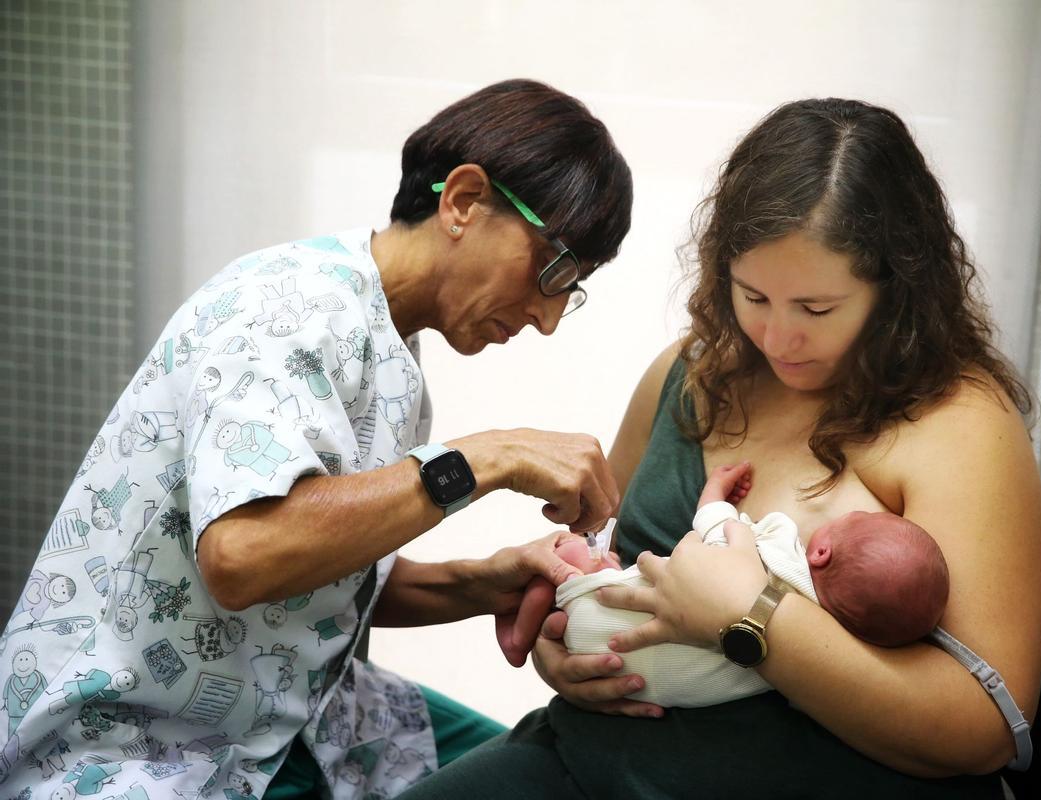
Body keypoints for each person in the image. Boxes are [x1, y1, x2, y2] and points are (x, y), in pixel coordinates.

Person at [0, 79, 634, 800]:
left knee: (557, 774)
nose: (548, 319)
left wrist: (482, 580)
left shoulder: (390, 348)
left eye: (570, 289)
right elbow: (244, 557)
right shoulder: (285, 306)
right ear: (462, 200)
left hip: (299, 717)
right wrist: (484, 458)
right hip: (134, 740)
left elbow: (323, 575)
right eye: (552, 269)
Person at [398, 98, 1041, 799]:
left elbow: (986, 731)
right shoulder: (691, 374)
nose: (777, 338)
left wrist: (754, 615)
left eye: (816, 309)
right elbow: (601, 570)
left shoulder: (961, 422)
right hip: (590, 758)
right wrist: (564, 646)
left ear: (897, 288)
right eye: (753, 296)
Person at [498, 460, 950, 710]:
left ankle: (524, 632)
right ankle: (532, 635)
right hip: (636, 684)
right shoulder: (823, 644)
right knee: (593, 562)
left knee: (570, 553)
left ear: (821, 552)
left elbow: (715, 530)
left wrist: (715, 494)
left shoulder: (772, 552)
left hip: (601, 623)